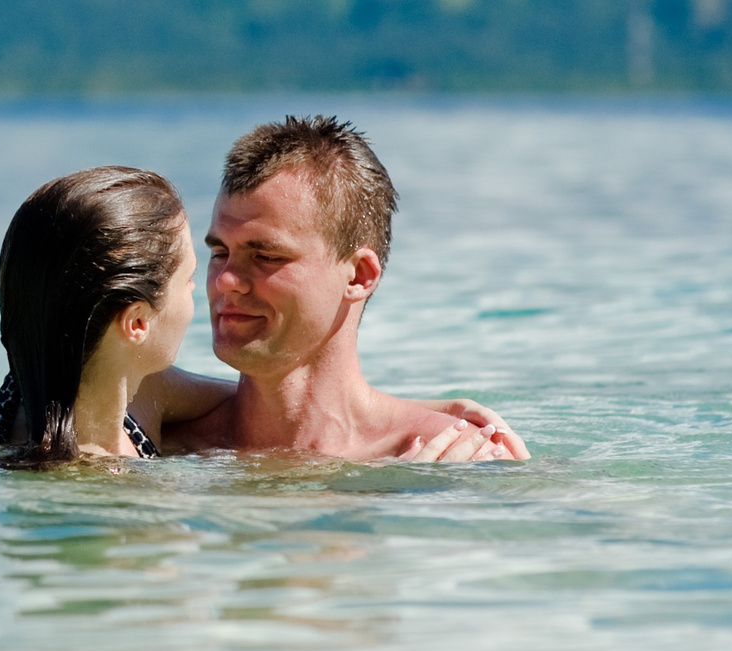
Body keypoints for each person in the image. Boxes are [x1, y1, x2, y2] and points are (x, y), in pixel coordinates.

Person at [160, 116, 528, 463]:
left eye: (266, 257)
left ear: (358, 277)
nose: (225, 280)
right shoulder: (156, 441)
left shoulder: (448, 456)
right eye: (219, 252)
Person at [0, 166, 208, 467]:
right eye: (188, 279)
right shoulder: (101, 490)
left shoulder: (25, 394)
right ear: (137, 323)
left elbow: (247, 401)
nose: (195, 288)